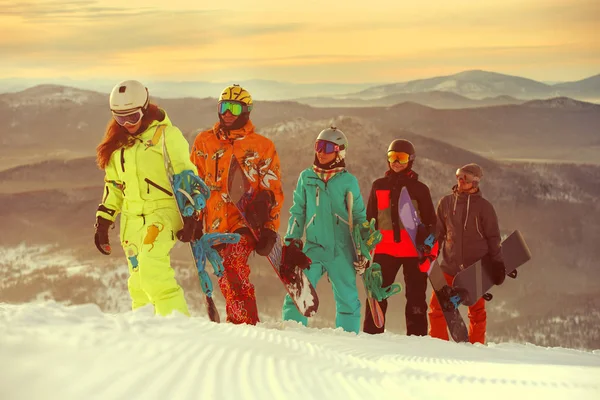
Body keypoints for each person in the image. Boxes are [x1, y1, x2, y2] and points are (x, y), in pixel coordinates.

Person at [94, 79, 201, 317]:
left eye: (132, 117)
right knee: (138, 282)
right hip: (131, 219)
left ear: (144, 109)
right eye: (120, 118)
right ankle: (145, 335)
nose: (127, 124)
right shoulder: (117, 144)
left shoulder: (166, 136)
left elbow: (186, 174)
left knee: (153, 270)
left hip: (162, 211)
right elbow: (113, 185)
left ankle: (178, 327)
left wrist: (193, 214)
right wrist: (104, 221)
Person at [190, 84, 284, 325]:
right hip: (214, 223)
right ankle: (238, 324)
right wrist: (191, 219)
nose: (227, 113)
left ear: (246, 111)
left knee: (233, 262)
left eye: (234, 107)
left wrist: (271, 228)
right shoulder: (204, 142)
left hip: (245, 221)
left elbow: (273, 189)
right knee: (225, 274)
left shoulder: (262, 146)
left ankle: (245, 324)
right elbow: (194, 184)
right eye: (223, 107)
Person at [281, 126, 371, 334]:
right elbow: (298, 212)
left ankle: (347, 343)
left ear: (339, 152)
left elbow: (359, 218)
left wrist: (363, 251)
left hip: (342, 250)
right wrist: (291, 242)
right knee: (296, 291)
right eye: (318, 146)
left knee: (348, 299)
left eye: (327, 147)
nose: (320, 152)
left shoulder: (348, 181)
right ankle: (290, 338)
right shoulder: (307, 177)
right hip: (314, 248)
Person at [362, 139, 436, 336]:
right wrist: (365, 246)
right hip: (385, 250)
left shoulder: (420, 189)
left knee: (415, 297)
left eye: (400, 158)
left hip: (413, 251)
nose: (395, 162)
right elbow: (370, 218)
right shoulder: (378, 186)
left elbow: (431, 222)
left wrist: (427, 240)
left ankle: (417, 338)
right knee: (376, 293)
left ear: (410, 160)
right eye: (392, 157)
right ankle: (371, 335)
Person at [429, 163, 506, 344]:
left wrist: (497, 263)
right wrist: (431, 254)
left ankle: (476, 346)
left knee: (477, 312)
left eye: (466, 178)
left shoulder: (484, 208)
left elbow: (493, 238)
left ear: (476, 182)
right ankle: (437, 344)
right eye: (459, 176)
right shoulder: (446, 203)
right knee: (437, 307)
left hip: (475, 270)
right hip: (449, 265)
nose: (461, 181)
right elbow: (439, 232)